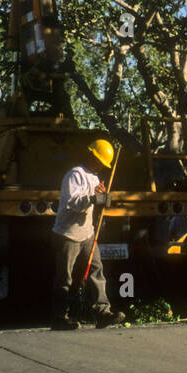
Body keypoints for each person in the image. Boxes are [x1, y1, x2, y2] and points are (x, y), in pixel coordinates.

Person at [51, 139, 125, 330]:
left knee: (95, 270)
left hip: (87, 234)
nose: (101, 166)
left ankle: (103, 312)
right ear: (92, 156)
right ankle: (61, 316)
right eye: (99, 161)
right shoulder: (75, 175)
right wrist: (93, 198)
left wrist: (103, 199)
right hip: (68, 234)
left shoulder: (94, 178)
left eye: (103, 164)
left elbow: (94, 206)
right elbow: (73, 203)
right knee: (65, 277)